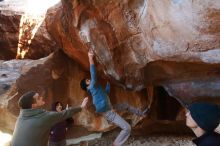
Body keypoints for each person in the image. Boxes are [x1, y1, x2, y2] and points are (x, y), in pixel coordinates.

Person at [80, 47, 148, 146]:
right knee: (127, 128)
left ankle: (141, 113)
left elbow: (106, 93)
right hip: (108, 112)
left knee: (125, 105)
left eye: (88, 79)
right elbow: (93, 75)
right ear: (87, 86)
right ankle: (115, 144)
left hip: (109, 108)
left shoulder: (96, 89)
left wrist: (108, 82)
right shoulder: (92, 87)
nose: (89, 80)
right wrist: (90, 58)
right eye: (87, 81)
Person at [11, 91, 88, 146]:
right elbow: (64, 114)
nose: (41, 97)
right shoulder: (43, 117)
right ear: (33, 105)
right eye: (38, 98)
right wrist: (81, 107)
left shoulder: (21, 117)